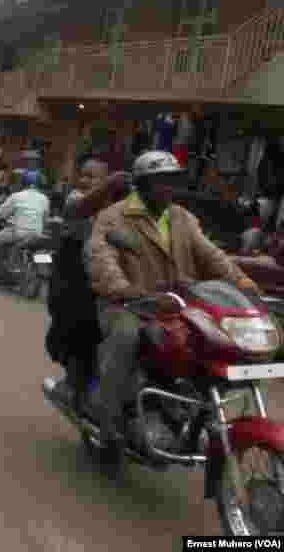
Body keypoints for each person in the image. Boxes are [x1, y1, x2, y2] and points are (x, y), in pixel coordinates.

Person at [88, 150, 258, 480]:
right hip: (128, 304)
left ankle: (192, 411)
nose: (167, 189)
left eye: (171, 181)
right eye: (158, 182)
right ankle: (109, 432)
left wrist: (246, 288)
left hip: (178, 306)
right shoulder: (113, 217)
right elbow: (101, 259)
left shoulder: (181, 218)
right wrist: (128, 291)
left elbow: (214, 258)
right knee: (124, 338)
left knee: (218, 340)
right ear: (141, 184)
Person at [45, 154, 129, 412]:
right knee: (75, 332)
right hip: (73, 284)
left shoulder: (121, 210)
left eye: (92, 176)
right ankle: (73, 386)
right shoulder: (76, 200)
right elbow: (81, 208)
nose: (84, 179)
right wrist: (111, 183)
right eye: (83, 174)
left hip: (105, 284)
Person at [0, 170, 51, 276]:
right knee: (43, 250)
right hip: (37, 235)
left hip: (19, 233)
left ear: (23, 183)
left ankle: (2, 270)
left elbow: (0, 213)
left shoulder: (16, 196)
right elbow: (45, 219)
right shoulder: (45, 199)